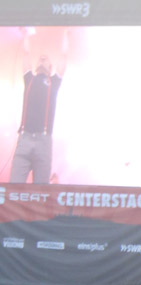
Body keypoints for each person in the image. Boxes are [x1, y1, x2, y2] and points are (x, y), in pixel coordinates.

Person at [10, 29, 68, 184]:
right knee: (14, 188)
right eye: (40, 58)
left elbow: (63, 58)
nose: (42, 59)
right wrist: (26, 35)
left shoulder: (53, 83)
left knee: (41, 191)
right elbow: (26, 54)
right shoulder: (30, 79)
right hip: (25, 138)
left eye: (46, 59)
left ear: (50, 68)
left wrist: (65, 33)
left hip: (43, 141)